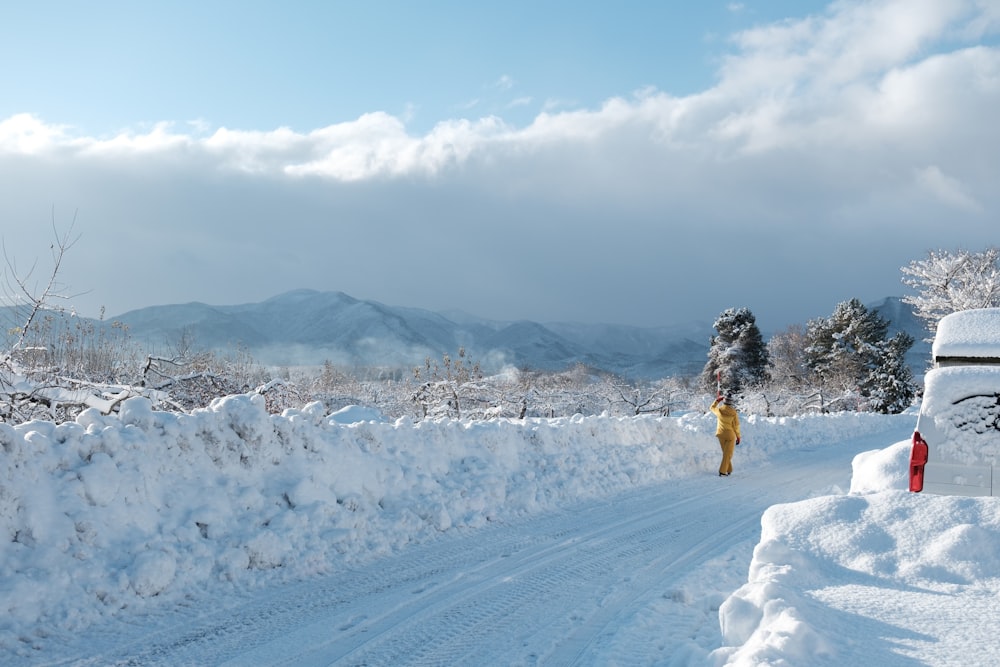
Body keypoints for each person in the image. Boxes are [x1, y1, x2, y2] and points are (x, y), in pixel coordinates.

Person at [710, 394, 741, 477]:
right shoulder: (733, 412)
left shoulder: (719, 410)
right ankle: (722, 471)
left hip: (720, 434)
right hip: (730, 435)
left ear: (724, 401)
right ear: (731, 403)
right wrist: (738, 436)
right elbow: (736, 426)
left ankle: (729, 469)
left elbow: (712, 408)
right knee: (728, 453)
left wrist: (717, 400)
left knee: (726, 453)